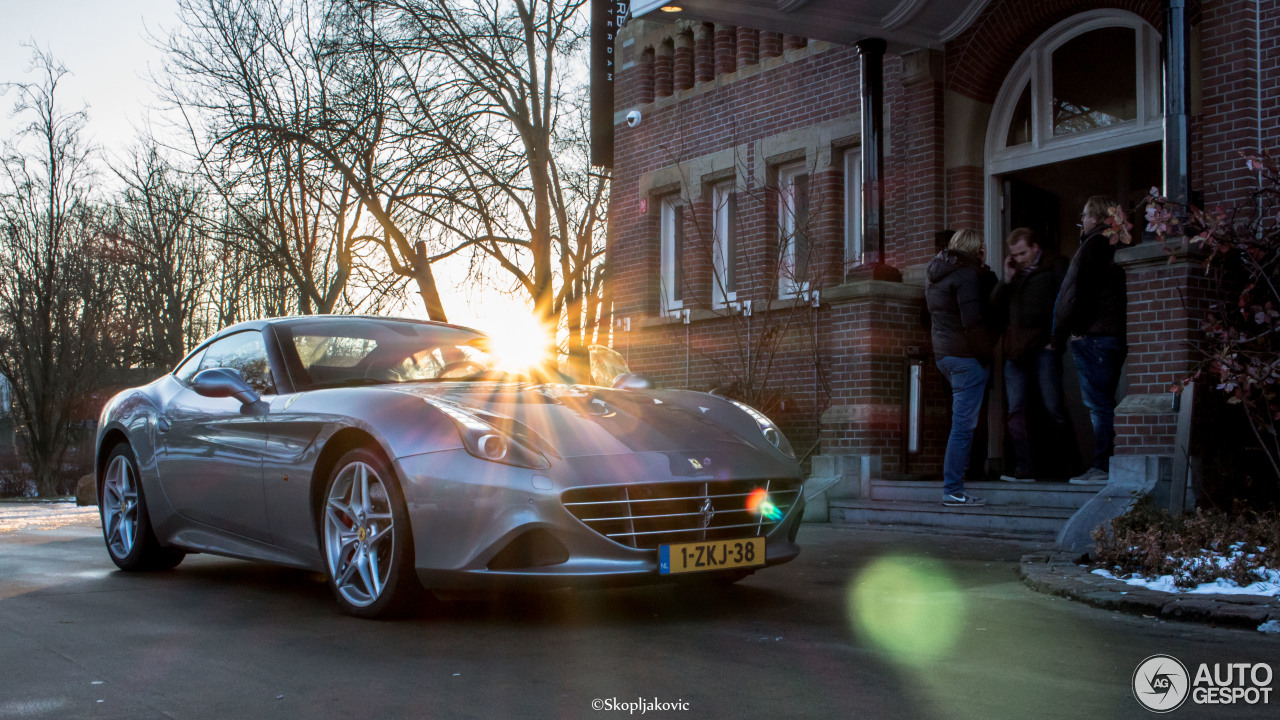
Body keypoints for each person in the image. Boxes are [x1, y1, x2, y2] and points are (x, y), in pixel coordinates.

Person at [1052, 197, 1128, 485]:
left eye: (1084, 216)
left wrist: (1076, 329)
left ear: (1096, 218)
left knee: (1099, 406)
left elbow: (1079, 292)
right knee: (1105, 402)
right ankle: (1105, 463)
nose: (1081, 221)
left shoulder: (1094, 246)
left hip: (1094, 337)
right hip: (1111, 334)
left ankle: (1102, 465)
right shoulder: (1117, 245)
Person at [991, 228, 1073, 482]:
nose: (1019, 258)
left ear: (1035, 246)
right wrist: (1006, 279)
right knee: (1015, 410)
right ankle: (1024, 468)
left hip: (1043, 348)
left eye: (1023, 252)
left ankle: (1066, 468)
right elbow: (994, 309)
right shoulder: (1014, 275)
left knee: (1053, 407)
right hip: (1016, 351)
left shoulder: (1055, 267)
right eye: (1014, 254)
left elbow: (1066, 303)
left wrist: (1056, 340)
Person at [926, 228, 997, 506]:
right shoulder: (967, 275)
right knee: (963, 427)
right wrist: (984, 354)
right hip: (967, 358)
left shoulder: (935, 273)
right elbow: (972, 322)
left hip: (945, 355)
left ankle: (954, 487)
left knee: (961, 424)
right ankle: (953, 490)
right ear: (977, 249)